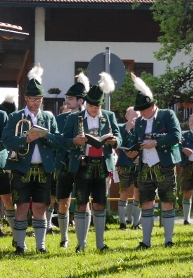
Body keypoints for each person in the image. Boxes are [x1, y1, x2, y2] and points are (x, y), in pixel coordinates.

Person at [2, 64, 62, 254]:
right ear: (26, 98)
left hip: (43, 167)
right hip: (21, 167)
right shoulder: (15, 117)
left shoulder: (48, 117)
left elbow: (58, 140)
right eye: (33, 99)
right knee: (21, 207)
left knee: (40, 207)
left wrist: (46, 136)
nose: (36, 102)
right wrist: (25, 139)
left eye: (39, 99)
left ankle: (40, 246)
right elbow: (6, 140)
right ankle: (20, 245)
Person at [121, 73, 181, 249]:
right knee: (146, 203)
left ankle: (168, 241)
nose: (142, 113)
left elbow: (176, 136)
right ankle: (146, 242)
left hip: (164, 165)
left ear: (152, 106)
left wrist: (156, 143)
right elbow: (134, 141)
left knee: (168, 202)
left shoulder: (167, 115)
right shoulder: (140, 121)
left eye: (144, 110)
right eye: (140, 111)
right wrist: (132, 153)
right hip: (144, 166)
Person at [62, 73, 120, 252]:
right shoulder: (74, 118)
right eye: (91, 106)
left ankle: (100, 244)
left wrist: (114, 141)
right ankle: (81, 244)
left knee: (100, 203)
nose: (94, 109)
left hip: (102, 164)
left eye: (97, 106)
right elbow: (64, 140)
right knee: (81, 203)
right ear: (86, 103)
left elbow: (119, 137)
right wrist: (74, 141)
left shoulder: (109, 116)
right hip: (82, 164)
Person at [54, 73, 89, 248]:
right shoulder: (60, 118)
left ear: (81, 100)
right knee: (63, 200)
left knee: (84, 201)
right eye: (66, 97)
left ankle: (83, 240)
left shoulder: (89, 118)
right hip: (64, 162)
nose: (67, 100)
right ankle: (64, 238)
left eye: (71, 98)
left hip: (84, 163)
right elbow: (57, 140)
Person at [116, 107, 141, 230]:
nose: (135, 118)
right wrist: (127, 129)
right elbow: (119, 143)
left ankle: (136, 223)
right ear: (126, 117)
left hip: (139, 164)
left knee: (138, 192)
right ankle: (122, 223)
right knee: (124, 191)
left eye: (137, 116)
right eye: (133, 116)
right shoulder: (120, 128)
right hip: (124, 164)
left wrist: (139, 157)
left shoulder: (142, 128)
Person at [0, 94, 16, 240]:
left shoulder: (2, 115)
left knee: (7, 198)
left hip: (0, 161)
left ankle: (16, 231)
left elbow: (5, 138)